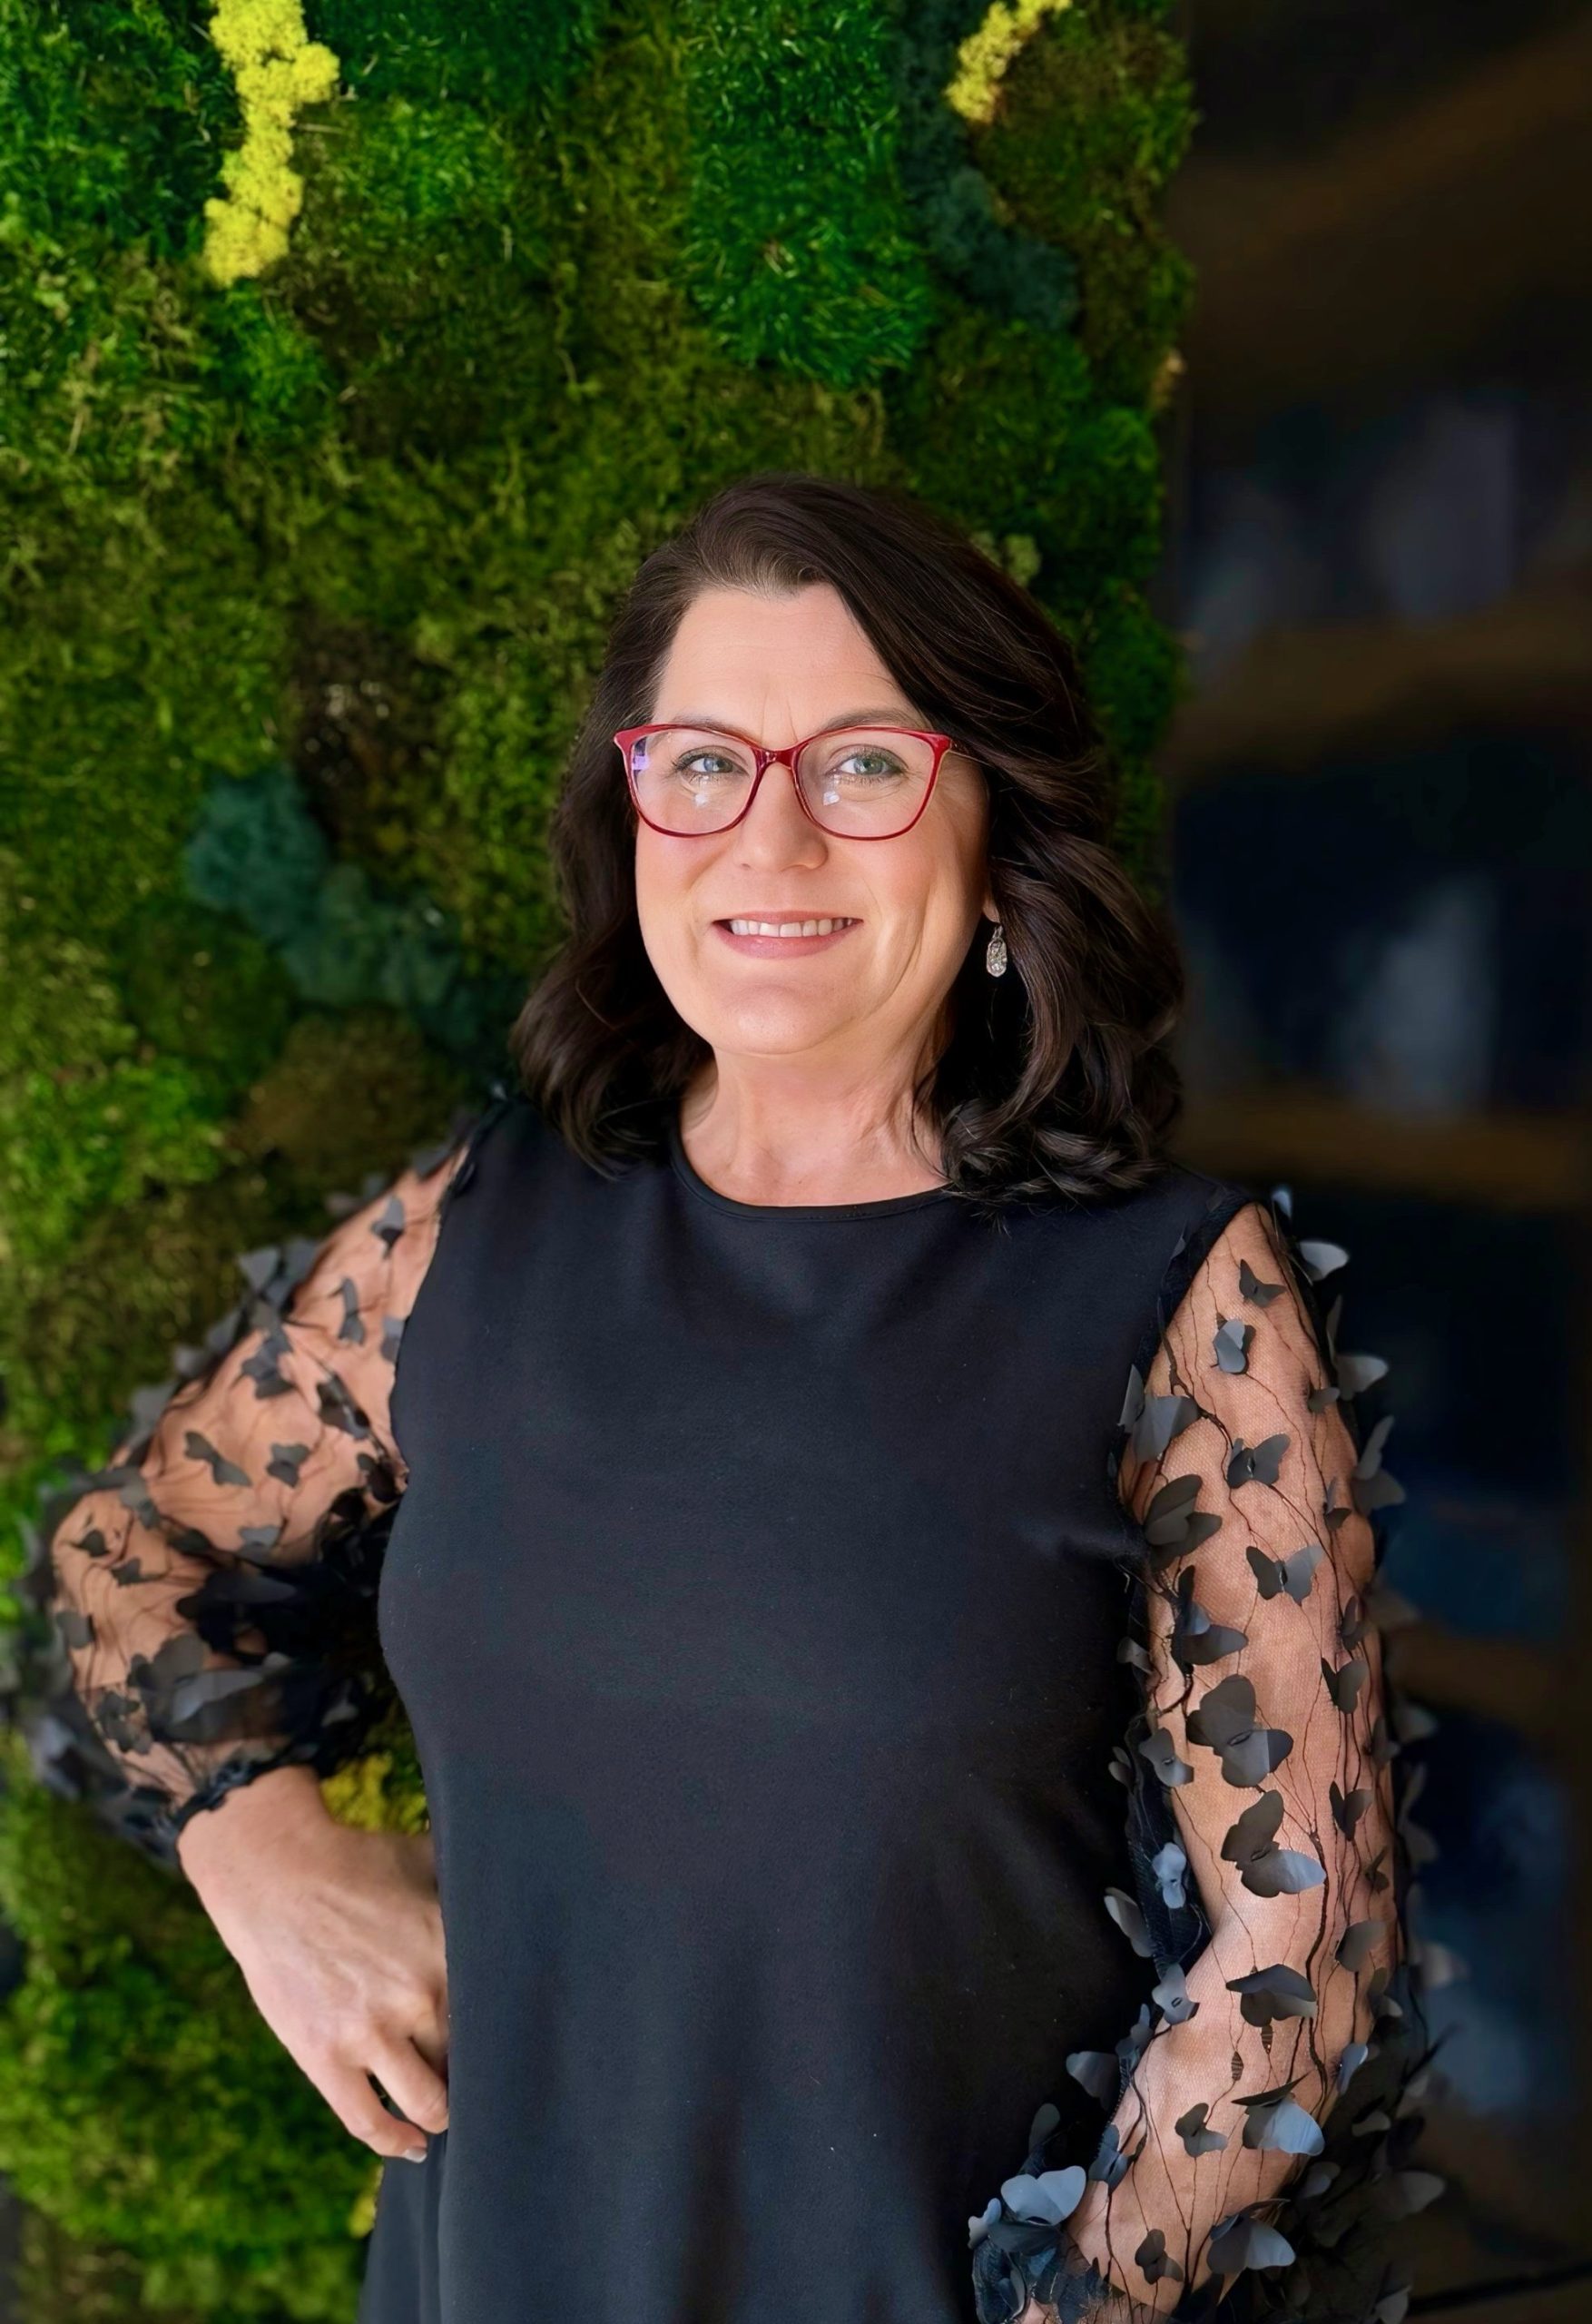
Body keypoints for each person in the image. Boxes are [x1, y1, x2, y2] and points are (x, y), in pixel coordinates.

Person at [42, 471, 1427, 2324]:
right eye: (702, 764)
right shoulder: (472, 1228)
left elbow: (1296, 1952)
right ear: (632, 821)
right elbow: (132, 1549)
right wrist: (264, 1854)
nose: (767, 841)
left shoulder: (1173, 1294)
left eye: (862, 767)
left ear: (996, 836)